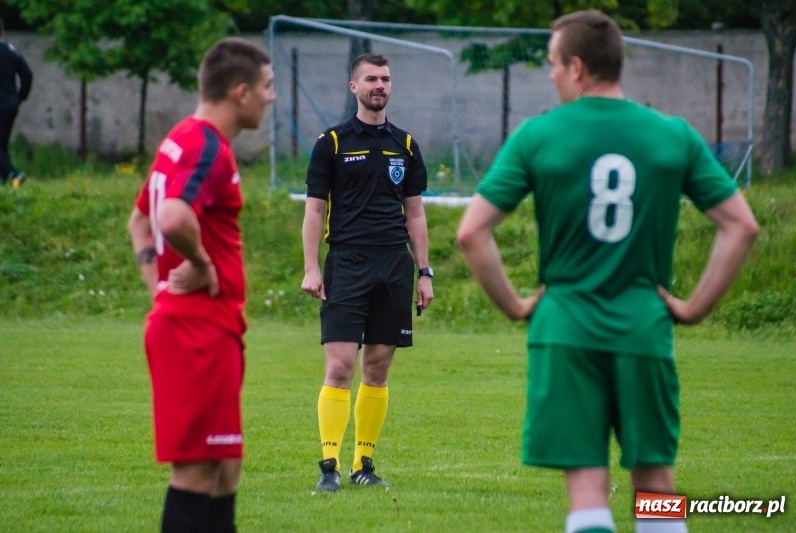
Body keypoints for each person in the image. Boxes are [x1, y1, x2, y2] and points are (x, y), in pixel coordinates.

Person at [456, 10, 758, 533]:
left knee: (587, 488)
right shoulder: (673, 136)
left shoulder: (538, 136)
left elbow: (470, 233)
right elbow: (741, 226)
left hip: (566, 328)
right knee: (657, 484)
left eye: (552, 64)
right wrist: (693, 307)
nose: (549, 76)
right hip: (643, 326)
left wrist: (516, 305)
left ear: (576, 67)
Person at [127, 37, 275, 533]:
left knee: (226, 468)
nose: (271, 97)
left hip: (205, 326)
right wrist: (203, 263)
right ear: (241, 93)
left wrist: (160, 291)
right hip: (197, 331)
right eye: (267, 86)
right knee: (196, 473)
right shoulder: (206, 147)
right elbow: (168, 217)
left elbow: (139, 223)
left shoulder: (181, 139)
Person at [301, 52, 434, 492]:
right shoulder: (332, 143)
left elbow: (415, 214)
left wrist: (425, 271)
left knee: (377, 369)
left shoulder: (406, 145)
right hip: (347, 263)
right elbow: (315, 210)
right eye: (372, 79)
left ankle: (364, 465)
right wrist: (311, 268)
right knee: (340, 366)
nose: (380, 85)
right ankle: (328, 468)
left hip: (394, 265)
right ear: (353, 87)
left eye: (386, 79)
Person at [0, 17, 33, 188]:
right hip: (11, 104)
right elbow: (27, 75)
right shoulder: (12, 50)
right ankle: (6, 182)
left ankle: (15, 174)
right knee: (2, 145)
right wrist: (20, 97)